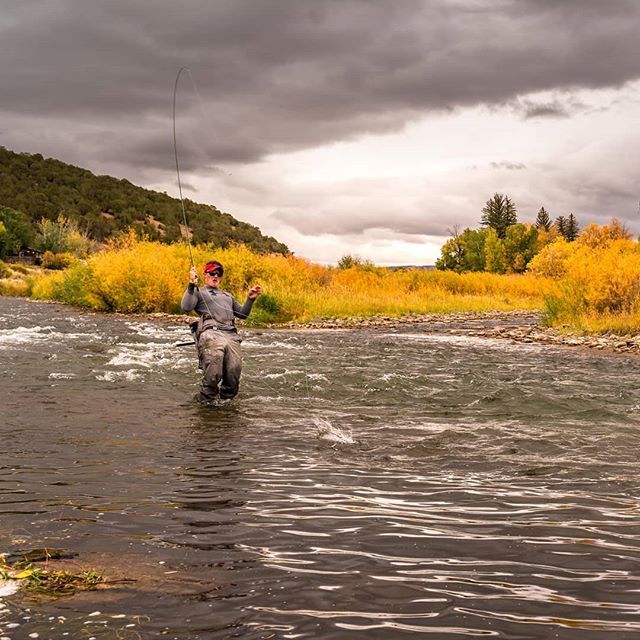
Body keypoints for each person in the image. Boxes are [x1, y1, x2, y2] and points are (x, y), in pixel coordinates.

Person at [181, 260, 262, 403]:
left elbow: (242, 315)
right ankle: (205, 405)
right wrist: (191, 284)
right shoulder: (198, 292)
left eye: (219, 273)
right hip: (211, 333)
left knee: (233, 373)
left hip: (231, 335)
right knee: (214, 373)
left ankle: (226, 407)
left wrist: (250, 300)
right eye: (212, 273)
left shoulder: (227, 296)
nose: (216, 276)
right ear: (205, 275)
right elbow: (186, 307)